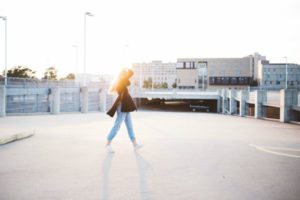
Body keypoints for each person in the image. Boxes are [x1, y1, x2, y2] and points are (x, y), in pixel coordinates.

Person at [105, 68, 142, 153]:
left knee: (130, 126)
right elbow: (131, 73)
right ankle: (108, 143)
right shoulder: (121, 81)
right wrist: (126, 69)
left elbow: (129, 79)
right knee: (117, 125)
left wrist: (125, 69)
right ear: (123, 75)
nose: (126, 75)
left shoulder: (122, 81)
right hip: (122, 106)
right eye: (125, 74)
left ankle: (135, 145)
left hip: (126, 107)